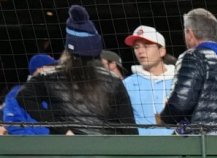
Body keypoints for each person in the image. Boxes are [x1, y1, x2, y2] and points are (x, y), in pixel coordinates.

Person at [16, 5, 138, 135]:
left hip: (66, 146)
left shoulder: (49, 76)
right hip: (105, 146)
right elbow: (129, 128)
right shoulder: (113, 81)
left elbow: (23, 97)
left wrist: (61, 128)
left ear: (68, 48)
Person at [158, 8, 217, 134]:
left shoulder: (193, 56)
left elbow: (180, 105)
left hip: (207, 141)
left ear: (189, 33)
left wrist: (164, 118)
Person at [123, 25, 175, 136]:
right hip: (140, 145)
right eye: (136, 47)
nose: (140, 51)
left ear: (161, 51)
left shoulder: (179, 81)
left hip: (180, 144)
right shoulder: (127, 84)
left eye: (146, 46)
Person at [3, 54, 56, 136]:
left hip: (58, 141)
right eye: (52, 68)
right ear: (40, 70)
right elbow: (14, 125)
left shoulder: (55, 91)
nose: (56, 72)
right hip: (30, 142)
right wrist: (39, 141)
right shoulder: (16, 93)